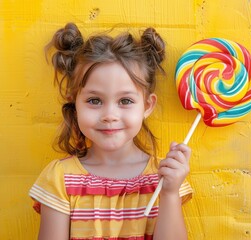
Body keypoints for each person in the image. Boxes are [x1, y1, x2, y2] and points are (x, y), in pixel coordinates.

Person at [29, 22, 192, 240]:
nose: (109, 114)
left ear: (147, 106)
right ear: (74, 102)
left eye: (125, 100)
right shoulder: (60, 178)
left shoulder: (164, 177)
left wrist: (170, 193)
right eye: (94, 100)